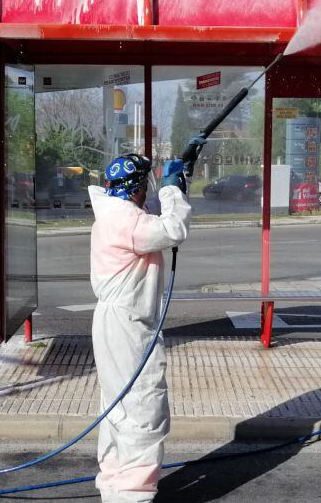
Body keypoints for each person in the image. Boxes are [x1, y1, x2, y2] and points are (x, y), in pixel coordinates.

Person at [87, 151, 194, 502]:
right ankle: (132, 495)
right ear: (135, 188)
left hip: (115, 321)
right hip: (129, 325)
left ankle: (116, 487)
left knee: (118, 406)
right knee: (143, 408)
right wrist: (172, 189)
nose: (147, 190)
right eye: (145, 184)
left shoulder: (113, 214)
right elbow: (173, 229)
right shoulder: (127, 221)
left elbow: (157, 224)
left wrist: (178, 184)